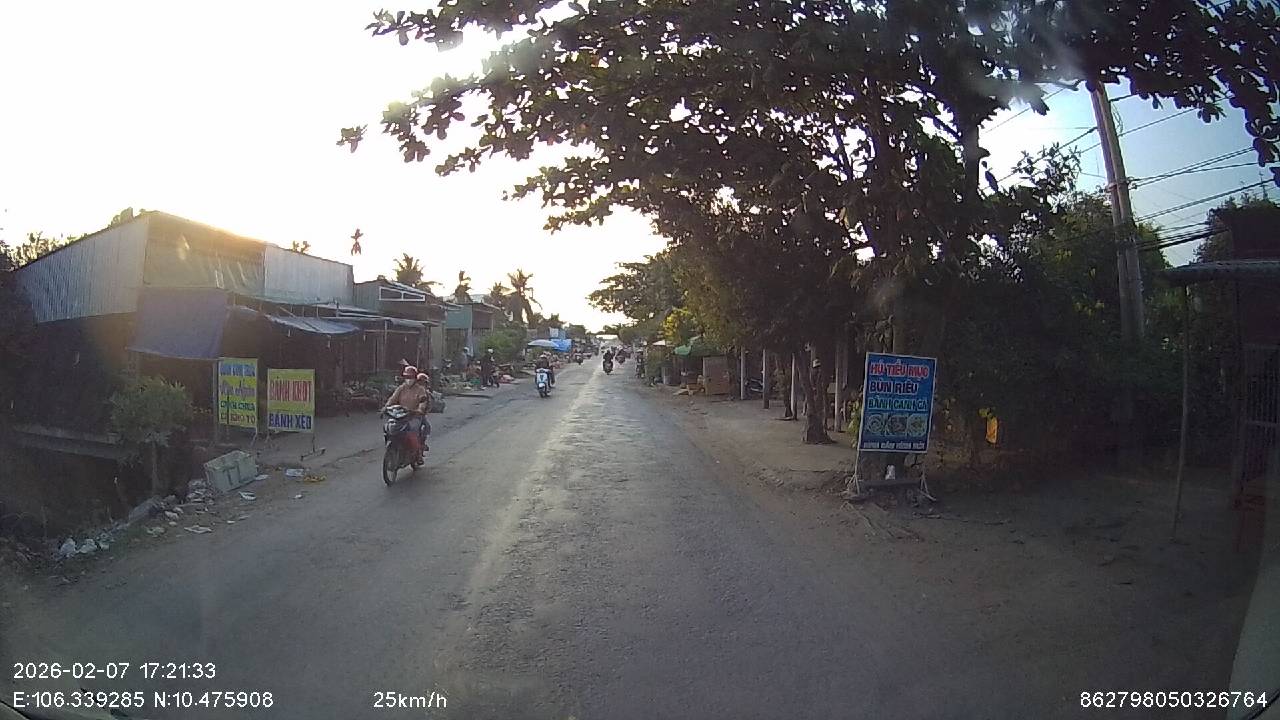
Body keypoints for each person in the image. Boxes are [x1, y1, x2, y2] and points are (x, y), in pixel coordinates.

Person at [384, 366, 432, 454]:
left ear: (415, 378)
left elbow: (423, 401)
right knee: (389, 427)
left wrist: (420, 410)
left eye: (411, 377)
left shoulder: (420, 389)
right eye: (407, 377)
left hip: (414, 416)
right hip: (401, 415)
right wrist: (385, 407)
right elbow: (392, 399)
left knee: (412, 430)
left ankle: (416, 451)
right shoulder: (401, 388)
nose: (409, 380)